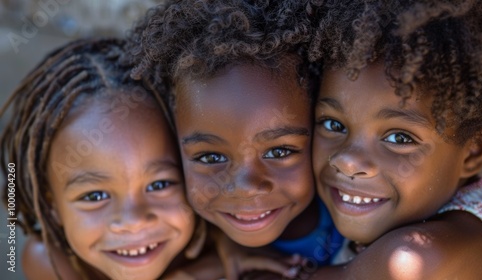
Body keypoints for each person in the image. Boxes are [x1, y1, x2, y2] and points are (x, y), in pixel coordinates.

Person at [128, 0, 344, 278]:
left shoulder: (364, 206)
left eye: (279, 152)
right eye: (211, 157)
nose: (246, 187)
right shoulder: (174, 240)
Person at [307, 0, 482, 278]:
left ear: (473, 151)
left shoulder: (432, 253)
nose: (347, 161)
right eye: (332, 124)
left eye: (398, 138)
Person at [0, 38, 218, 280]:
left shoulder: (233, 239)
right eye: (94, 196)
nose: (133, 221)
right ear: (52, 206)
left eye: (159, 184)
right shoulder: (51, 265)